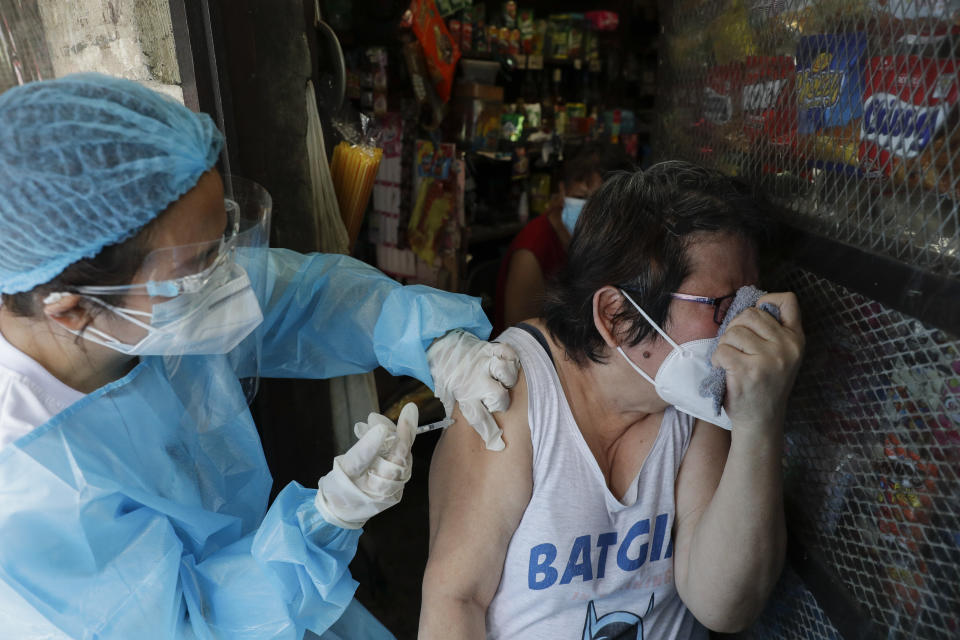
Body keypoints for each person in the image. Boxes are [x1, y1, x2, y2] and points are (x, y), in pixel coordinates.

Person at [0, 73, 519, 639]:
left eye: (224, 238)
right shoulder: (29, 489)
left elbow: (305, 299)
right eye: (198, 262)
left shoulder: (147, 311)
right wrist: (322, 525)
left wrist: (433, 342)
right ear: (72, 310)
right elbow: (185, 627)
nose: (228, 276)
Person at [420, 162, 806, 638]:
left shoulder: (691, 400)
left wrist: (758, 422)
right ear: (618, 315)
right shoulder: (510, 390)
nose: (742, 327)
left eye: (751, 300)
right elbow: (454, 602)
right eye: (721, 306)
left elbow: (722, 604)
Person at [493, 142, 633, 335]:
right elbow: (517, 337)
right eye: (580, 197)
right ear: (561, 191)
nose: (588, 210)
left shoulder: (612, 243)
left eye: (598, 202)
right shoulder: (534, 248)